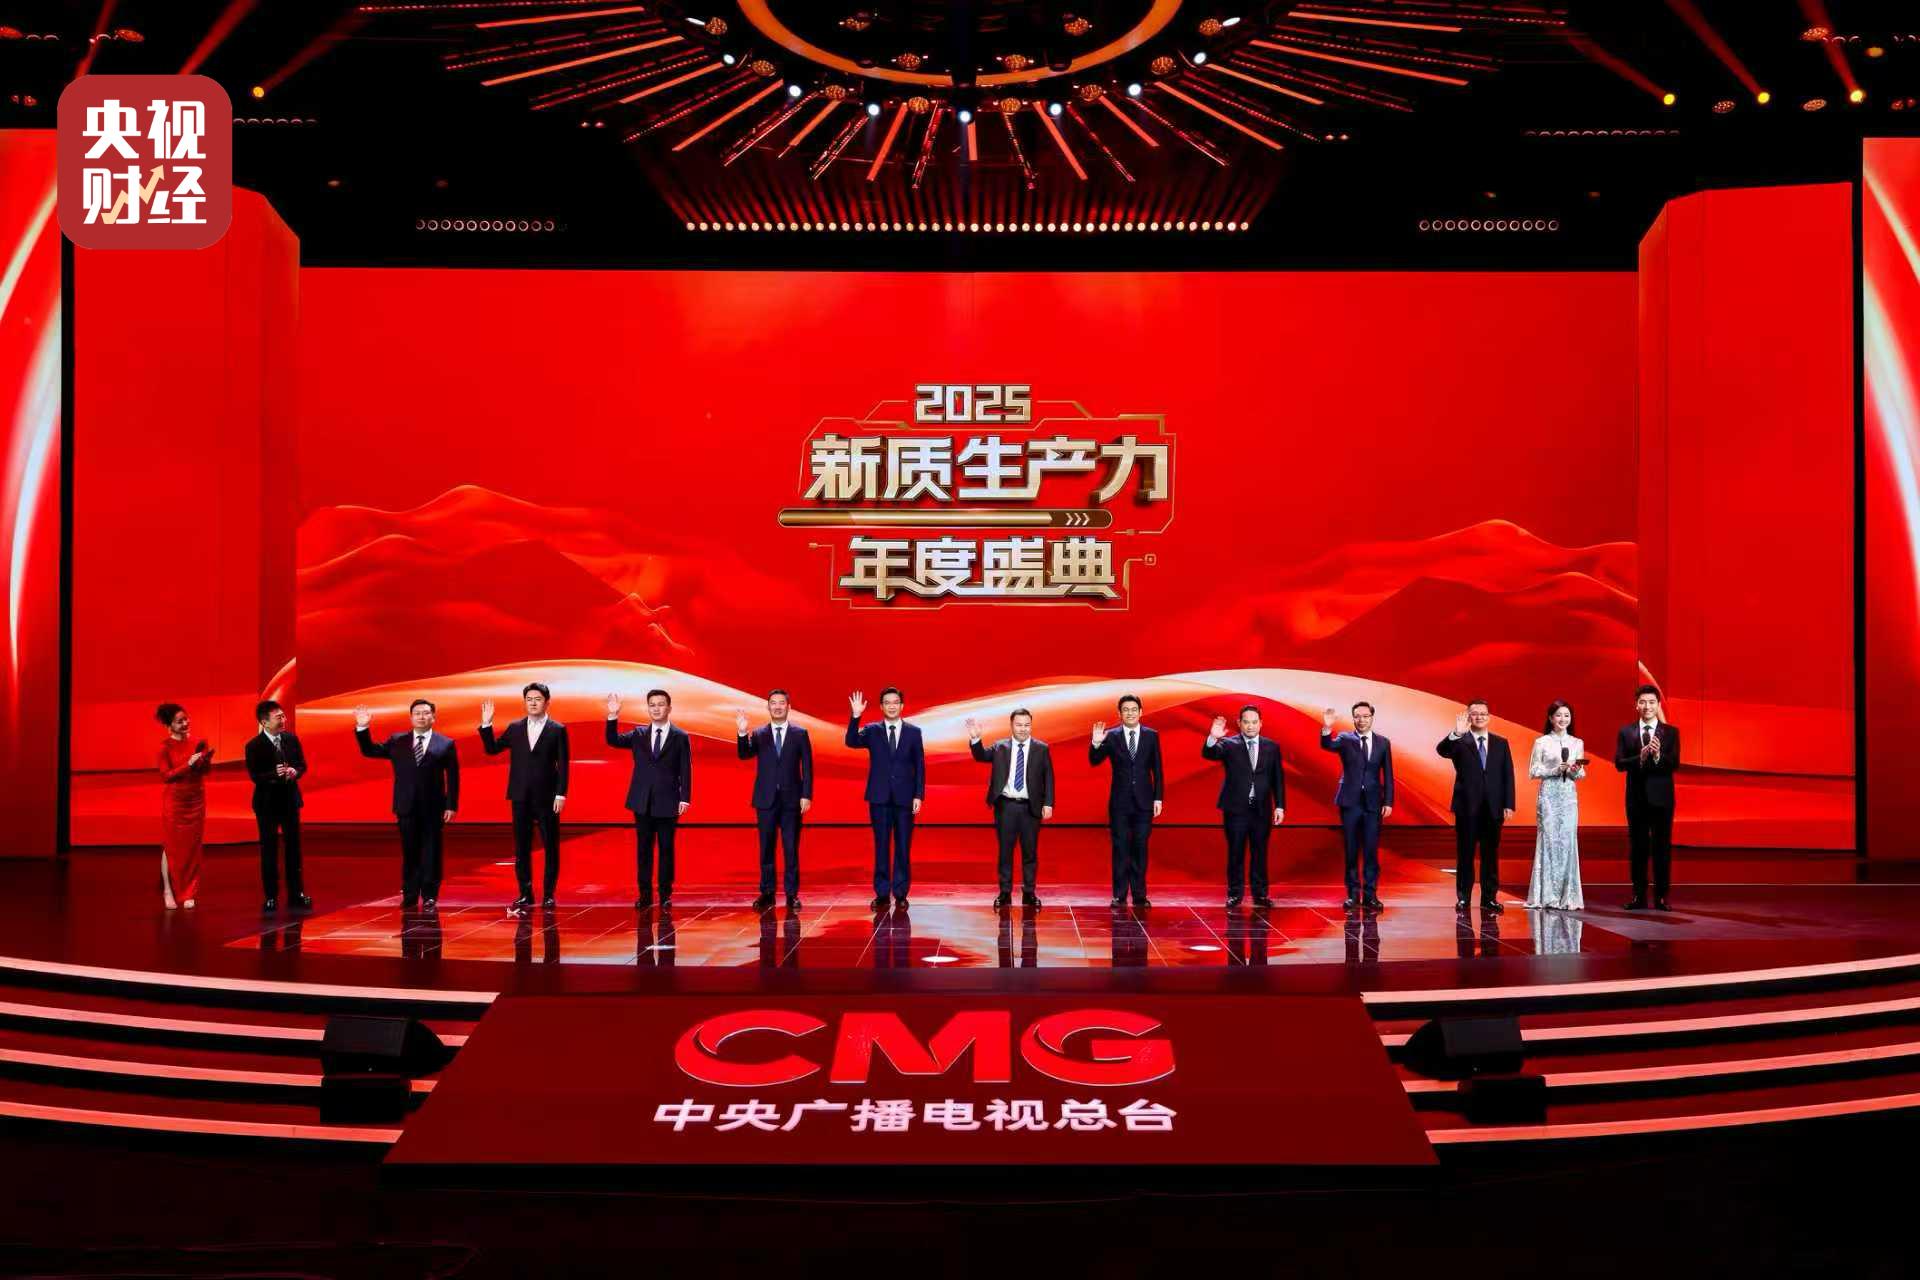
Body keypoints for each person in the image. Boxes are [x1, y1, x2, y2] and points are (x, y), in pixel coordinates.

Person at [354, 699, 460, 912]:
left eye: (426, 713)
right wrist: (363, 728)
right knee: (410, 851)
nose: (422, 716)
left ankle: (430, 895)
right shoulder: (398, 741)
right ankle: (410, 894)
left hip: (434, 807)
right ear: (411, 717)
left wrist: (451, 805)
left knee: (431, 851)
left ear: (433, 717)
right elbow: (370, 751)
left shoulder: (445, 744)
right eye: (417, 713)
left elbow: (453, 777)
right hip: (406, 805)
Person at [479, 682, 570, 912]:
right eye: (529, 699)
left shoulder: (557, 729)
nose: (533, 703)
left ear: (547, 702)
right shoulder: (515, 728)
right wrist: (487, 724)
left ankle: (548, 894)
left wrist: (561, 793)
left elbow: (563, 765)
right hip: (520, 796)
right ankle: (525, 893)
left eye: (537, 699)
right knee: (521, 846)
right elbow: (492, 749)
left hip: (547, 796)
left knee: (550, 846)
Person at [607, 688, 691, 910]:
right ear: (648, 708)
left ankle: (665, 894)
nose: (656, 709)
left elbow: (686, 768)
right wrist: (613, 715)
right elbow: (613, 740)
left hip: (668, 800)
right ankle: (644, 894)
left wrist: (685, 797)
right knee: (643, 849)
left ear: (669, 708)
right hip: (642, 801)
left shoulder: (680, 736)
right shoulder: (638, 734)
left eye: (661, 704)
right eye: (652, 705)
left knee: (666, 849)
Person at [967, 708, 1055, 908]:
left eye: (1027, 725)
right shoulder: (1001, 747)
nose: (1023, 729)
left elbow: (1048, 777)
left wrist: (1048, 803)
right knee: (1005, 851)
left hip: (1031, 807)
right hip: (1006, 807)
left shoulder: (1041, 748)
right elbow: (981, 756)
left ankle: (1029, 893)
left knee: (1030, 852)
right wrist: (975, 739)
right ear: (1011, 725)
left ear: (1031, 725)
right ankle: (1005, 893)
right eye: (1019, 725)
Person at [846, 686, 924, 911]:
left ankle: (900, 893)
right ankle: (881, 894)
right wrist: (856, 716)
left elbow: (920, 765)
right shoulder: (872, 730)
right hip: (879, 797)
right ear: (881, 707)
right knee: (881, 845)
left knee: (903, 846)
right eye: (887, 702)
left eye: (895, 702)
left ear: (902, 705)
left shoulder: (913, 732)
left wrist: (918, 794)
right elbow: (851, 741)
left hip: (905, 798)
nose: (891, 706)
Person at [736, 688, 813, 911]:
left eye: (781, 703)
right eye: (773, 703)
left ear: (788, 707)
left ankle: (791, 894)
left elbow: (808, 767)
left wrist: (806, 794)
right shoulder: (760, 733)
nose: (777, 706)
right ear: (768, 707)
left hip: (792, 800)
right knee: (766, 848)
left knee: (791, 848)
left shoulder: (800, 734)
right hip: (765, 799)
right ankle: (767, 892)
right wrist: (742, 732)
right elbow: (744, 755)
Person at [1436, 700, 1515, 914]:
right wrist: (1456, 733)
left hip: (1493, 808)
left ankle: (1489, 898)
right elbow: (1441, 750)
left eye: (1483, 713)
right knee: (1465, 854)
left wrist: (1509, 803)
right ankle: (1463, 898)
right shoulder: (1460, 741)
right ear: (1468, 717)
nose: (1479, 717)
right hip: (1466, 807)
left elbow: (1507, 774)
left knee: (1490, 855)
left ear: (1489, 717)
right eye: (1474, 714)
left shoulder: (1500, 743)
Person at [1202, 705, 1285, 909]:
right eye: (1246, 722)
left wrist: (1280, 806)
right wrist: (1212, 738)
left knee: (1260, 852)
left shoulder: (1272, 747)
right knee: (1235, 852)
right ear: (1239, 723)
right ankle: (1235, 894)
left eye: (1254, 722)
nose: (1250, 726)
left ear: (1261, 723)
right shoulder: (1229, 744)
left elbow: (1278, 779)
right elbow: (1209, 753)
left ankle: (1260, 894)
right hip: (1236, 809)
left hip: (1261, 809)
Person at [1318, 701, 1395, 912]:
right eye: (1357, 716)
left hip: (1373, 803)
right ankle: (1352, 895)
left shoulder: (1383, 743)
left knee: (1371, 850)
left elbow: (1388, 774)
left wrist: (1388, 801)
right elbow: (1327, 745)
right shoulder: (1345, 739)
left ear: (1372, 717)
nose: (1361, 720)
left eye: (1365, 716)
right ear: (1353, 718)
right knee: (1351, 849)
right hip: (1350, 802)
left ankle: (1371, 895)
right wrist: (1327, 729)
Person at [1089, 695, 1164, 909]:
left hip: (1144, 801)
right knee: (1120, 847)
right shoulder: (1111, 736)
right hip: (1120, 802)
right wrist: (1096, 743)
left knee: (1140, 846)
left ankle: (1139, 895)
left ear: (1141, 712)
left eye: (1133, 709)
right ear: (1119, 713)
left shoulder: (1151, 735)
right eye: (1125, 710)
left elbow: (1157, 769)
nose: (1130, 713)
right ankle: (1119, 895)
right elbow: (1094, 761)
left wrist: (1158, 797)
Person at [1614, 683, 1679, 910]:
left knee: (1662, 848)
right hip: (1636, 799)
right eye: (1643, 702)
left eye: (1652, 702)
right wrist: (1640, 757)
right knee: (1638, 848)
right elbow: (1619, 763)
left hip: (1662, 799)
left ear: (1658, 705)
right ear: (1636, 705)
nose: (1647, 706)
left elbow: (1674, 764)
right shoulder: (1626, 732)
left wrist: (1658, 755)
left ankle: (1661, 897)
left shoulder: (1671, 732)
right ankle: (1638, 896)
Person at [244, 699, 310, 912]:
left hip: (290, 801)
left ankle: (297, 893)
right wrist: (275, 774)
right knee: (269, 850)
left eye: (283, 716)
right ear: (264, 722)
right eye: (278, 717)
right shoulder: (253, 746)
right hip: (267, 804)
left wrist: (295, 772)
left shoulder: (291, 739)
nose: (283, 720)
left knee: (294, 848)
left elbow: (302, 765)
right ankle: (271, 896)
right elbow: (255, 776)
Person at [1526, 700, 1587, 911]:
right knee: (1549, 841)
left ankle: (1568, 896)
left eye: (1566, 715)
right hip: (1549, 796)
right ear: (1551, 718)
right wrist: (1554, 769)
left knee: (1568, 841)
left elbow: (1581, 774)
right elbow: (1533, 770)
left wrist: (1574, 769)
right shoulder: (1541, 742)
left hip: (1568, 796)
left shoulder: (1577, 742)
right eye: (1559, 715)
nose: (1563, 719)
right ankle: (1547, 896)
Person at [155, 703, 211, 910]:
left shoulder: (199, 742)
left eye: (186, 719)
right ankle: (168, 890)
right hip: (176, 802)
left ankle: (189, 892)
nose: (185, 723)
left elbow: (205, 772)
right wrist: (188, 764)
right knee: (171, 846)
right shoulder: (164, 748)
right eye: (180, 722)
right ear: (169, 725)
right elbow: (166, 776)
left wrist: (204, 762)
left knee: (193, 846)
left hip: (196, 799)